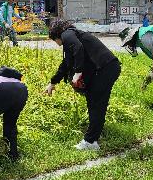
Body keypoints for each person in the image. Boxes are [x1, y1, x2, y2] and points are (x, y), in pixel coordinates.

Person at [44, 19, 121, 151]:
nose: (57, 44)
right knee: (97, 103)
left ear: (56, 34)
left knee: (95, 103)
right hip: (109, 67)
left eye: (54, 40)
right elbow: (66, 65)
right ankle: (94, 137)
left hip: (105, 69)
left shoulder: (67, 35)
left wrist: (78, 72)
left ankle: (90, 141)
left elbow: (78, 48)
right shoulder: (73, 35)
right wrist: (53, 82)